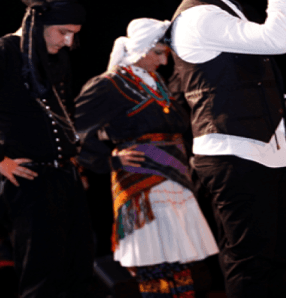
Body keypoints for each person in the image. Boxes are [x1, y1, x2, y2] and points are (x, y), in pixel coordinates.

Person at [167, 0, 286, 298]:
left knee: (275, 260)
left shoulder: (227, 10)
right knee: (251, 264)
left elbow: (231, 75)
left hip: (262, 151)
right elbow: (277, 40)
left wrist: (283, 102)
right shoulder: (199, 15)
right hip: (233, 154)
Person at [0, 0, 94, 298]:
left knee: (79, 263)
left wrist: (72, 160)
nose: (68, 41)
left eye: (74, 34)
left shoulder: (56, 57)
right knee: (42, 274)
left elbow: (64, 112)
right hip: (26, 178)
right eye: (64, 32)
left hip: (63, 175)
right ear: (39, 22)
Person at [75, 18, 218, 297]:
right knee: (154, 253)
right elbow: (74, 130)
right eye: (159, 53)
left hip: (175, 177)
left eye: (166, 54)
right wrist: (110, 160)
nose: (164, 61)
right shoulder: (110, 83)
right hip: (142, 180)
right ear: (141, 48)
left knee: (178, 251)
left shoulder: (155, 82)